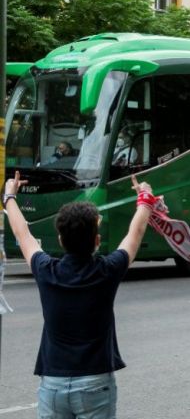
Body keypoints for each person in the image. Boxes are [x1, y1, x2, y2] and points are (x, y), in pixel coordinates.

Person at [4, 171, 151, 419]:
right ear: (97, 240)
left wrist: (9, 196)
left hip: (52, 384)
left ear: (60, 239)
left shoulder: (45, 270)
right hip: (95, 382)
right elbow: (134, 234)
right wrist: (145, 199)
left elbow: (23, 234)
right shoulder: (107, 270)